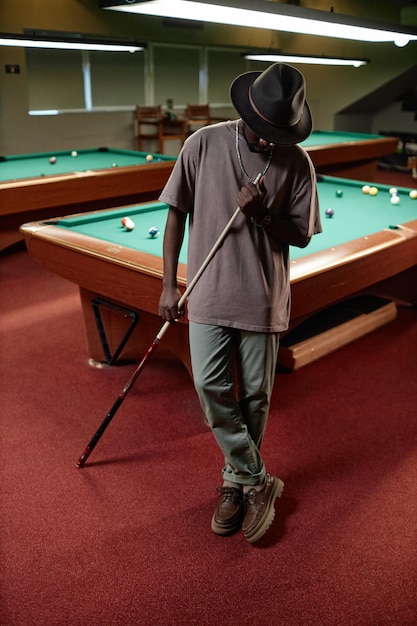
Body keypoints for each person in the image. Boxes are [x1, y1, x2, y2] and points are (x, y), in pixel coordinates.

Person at [158, 63, 322, 543]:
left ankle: (236, 481)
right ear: (246, 112)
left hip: (263, 296)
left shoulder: (297, 162)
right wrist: (170, 284)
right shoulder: (203, 144)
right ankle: (256, 477)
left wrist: (263, 215)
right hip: (207, 290)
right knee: (210, 386)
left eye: (281, 132)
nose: (273, 140)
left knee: (254, 397)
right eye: (266, 130)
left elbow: (302, 236)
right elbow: (174, 216)